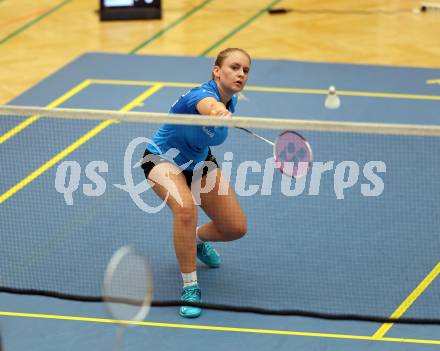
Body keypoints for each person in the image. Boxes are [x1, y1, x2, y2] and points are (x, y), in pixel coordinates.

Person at [141, 48, 251, 318]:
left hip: (200, 163)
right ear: (217, 70)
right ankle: (190, 286)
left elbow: (218, 112)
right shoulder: (202, 96)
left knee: (235, 228)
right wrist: (218, 112)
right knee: (186, 209)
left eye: (245, 71)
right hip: (162, 159)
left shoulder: (231, 101)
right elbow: (208, 107)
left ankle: (196, 240)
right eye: (234, 67)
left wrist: (224, 110)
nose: (240, 74)